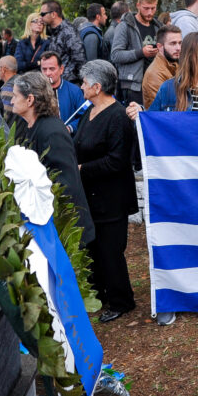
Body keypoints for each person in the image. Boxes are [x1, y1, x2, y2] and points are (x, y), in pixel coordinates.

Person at [73, 61, 138, 323]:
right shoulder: (90, 110)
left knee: (111, 251)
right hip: (92, 196)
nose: (81, 87)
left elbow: (118, 160)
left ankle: (122, 300)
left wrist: (81, 169)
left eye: (85, 83)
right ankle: (100, 293)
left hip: (112, 198)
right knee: (95, 249)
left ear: (97, 87)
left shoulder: (118, 116)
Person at [9, 71, 95, 246]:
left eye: (15, 96)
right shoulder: (31, 127)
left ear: (30, 99)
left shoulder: (52, 131)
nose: (11, 101)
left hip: (67, 231)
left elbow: (64, 184)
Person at [111, 0, 162, 108]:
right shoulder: (124, 26)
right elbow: (115, 55)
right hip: (132, 86)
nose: (150, 12)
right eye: (146, 8)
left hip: (154, 83)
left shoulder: (158, 27)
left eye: (153, 8)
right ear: (138, 5)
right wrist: (141, 53)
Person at [39, 51, 86, 134]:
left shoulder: (74, 91)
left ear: (61, 69)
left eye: (52, 69)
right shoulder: (36, 91)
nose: (48, 73)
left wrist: (70, 128)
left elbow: (84, 116)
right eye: (44, 69)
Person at [40, 0, 86, 83]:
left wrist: (65, 80)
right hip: (57, 83)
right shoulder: (53, 32)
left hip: (68, 83)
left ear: (53, 14)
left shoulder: (68, 31)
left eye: (43, 14)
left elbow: (79, 60)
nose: (41, 17)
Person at [142, 25, 182, 108]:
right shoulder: (154, 74)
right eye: (173, 43)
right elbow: (165, 108)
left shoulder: (175, 63)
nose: (178, 48)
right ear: (160, 47)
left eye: (180, 43)